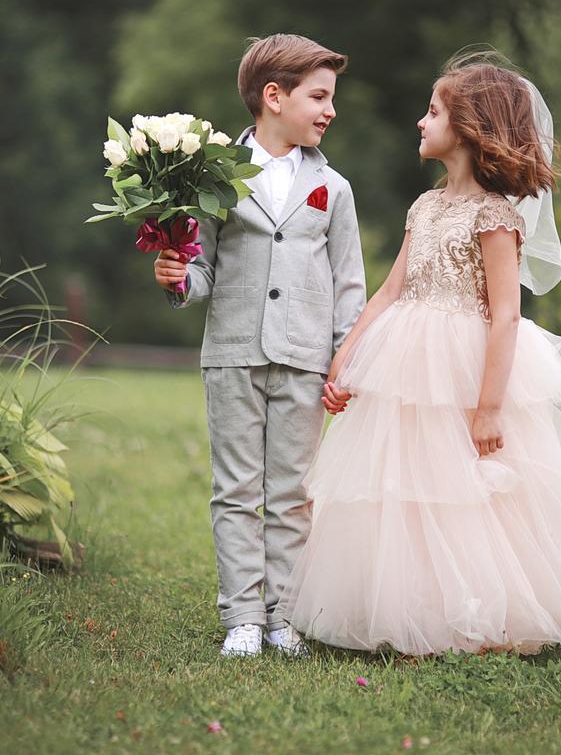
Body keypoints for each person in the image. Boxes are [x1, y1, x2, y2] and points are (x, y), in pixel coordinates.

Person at [278, 53, 561, 655]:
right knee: (402, 485)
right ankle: (407, 607)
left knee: (468, 491)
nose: (420, 121)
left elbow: (508, 315)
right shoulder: (426, 205)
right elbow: (389, 291)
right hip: (405, 360)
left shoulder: (495, 216)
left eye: (432, 111)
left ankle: (481, 611)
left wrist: (489, 407)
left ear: (466, 127)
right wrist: (346, 359)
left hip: (465, 365)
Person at [153, 34, 366, 657]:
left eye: (331, 98)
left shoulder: (337, 190)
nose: (330, 111)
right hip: (232, 353)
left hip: (304, 360)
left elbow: (348, 282)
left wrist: (341, 359)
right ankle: (243, 615)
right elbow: (202, 271)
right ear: (274, 97)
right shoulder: (215, 180)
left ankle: (286, 615)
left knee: (293, 494)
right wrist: (176, 279)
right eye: (319, 97)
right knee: (236, 490)